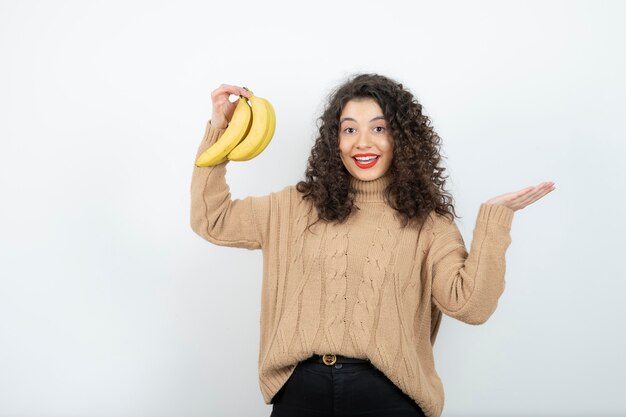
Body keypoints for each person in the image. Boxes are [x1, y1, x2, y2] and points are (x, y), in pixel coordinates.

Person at [190, 73, 555, 417]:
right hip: (300, 394)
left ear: (402, 138)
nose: (362, 142)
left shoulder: (429, 224)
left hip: (388, 396)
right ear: (336, 140)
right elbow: (212, 219)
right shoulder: (293, 207)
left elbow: (471, 306)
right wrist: (221, 132)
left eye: (378, 128)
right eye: (349, 129)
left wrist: (494, 220)